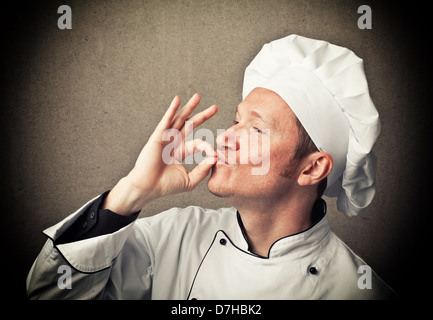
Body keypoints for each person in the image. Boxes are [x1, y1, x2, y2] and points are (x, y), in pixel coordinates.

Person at [26, 34, 396, 299]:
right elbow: (47, 292)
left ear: (312, 169)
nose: (224, 137)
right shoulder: (172, 237)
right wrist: (132, 191)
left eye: (256, 128)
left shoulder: (357, 290)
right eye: (236, 120)